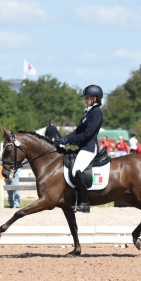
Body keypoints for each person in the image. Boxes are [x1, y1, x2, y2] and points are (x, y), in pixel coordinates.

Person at [55, 84, 104, 213]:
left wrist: (69, 140)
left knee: (76, 170)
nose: (84, 99)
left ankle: (85, 202)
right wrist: (64, 138)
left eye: (86, 97)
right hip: (82, 147)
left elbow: (87, 134)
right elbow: (78, 131)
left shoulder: (97, 112)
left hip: (89, 148)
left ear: (94, 98)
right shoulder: (88, 111)